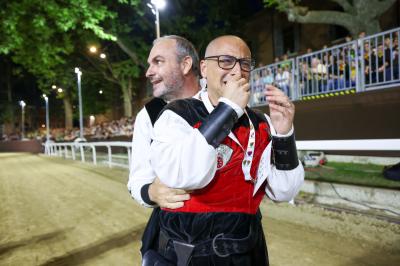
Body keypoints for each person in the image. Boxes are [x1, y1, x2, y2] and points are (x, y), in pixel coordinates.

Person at [149, 35, 304, 265]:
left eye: (244, 64)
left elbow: (284, 191)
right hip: (187, 256)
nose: (237, 72)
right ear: (203, 68)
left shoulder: (261, 122)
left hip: (247, 253)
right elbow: (184, 175)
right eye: (225, 61)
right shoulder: (177, 114)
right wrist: (228, 109)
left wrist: (284, 134)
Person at [126, 35, 201, 262]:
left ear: (185, 64)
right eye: (150, 64)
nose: (148, 72)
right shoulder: (147, 115)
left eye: (158, 62)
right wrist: (152, 192)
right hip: (174, 239)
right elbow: (137, 181)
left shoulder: (223, 101)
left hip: (233, 240)